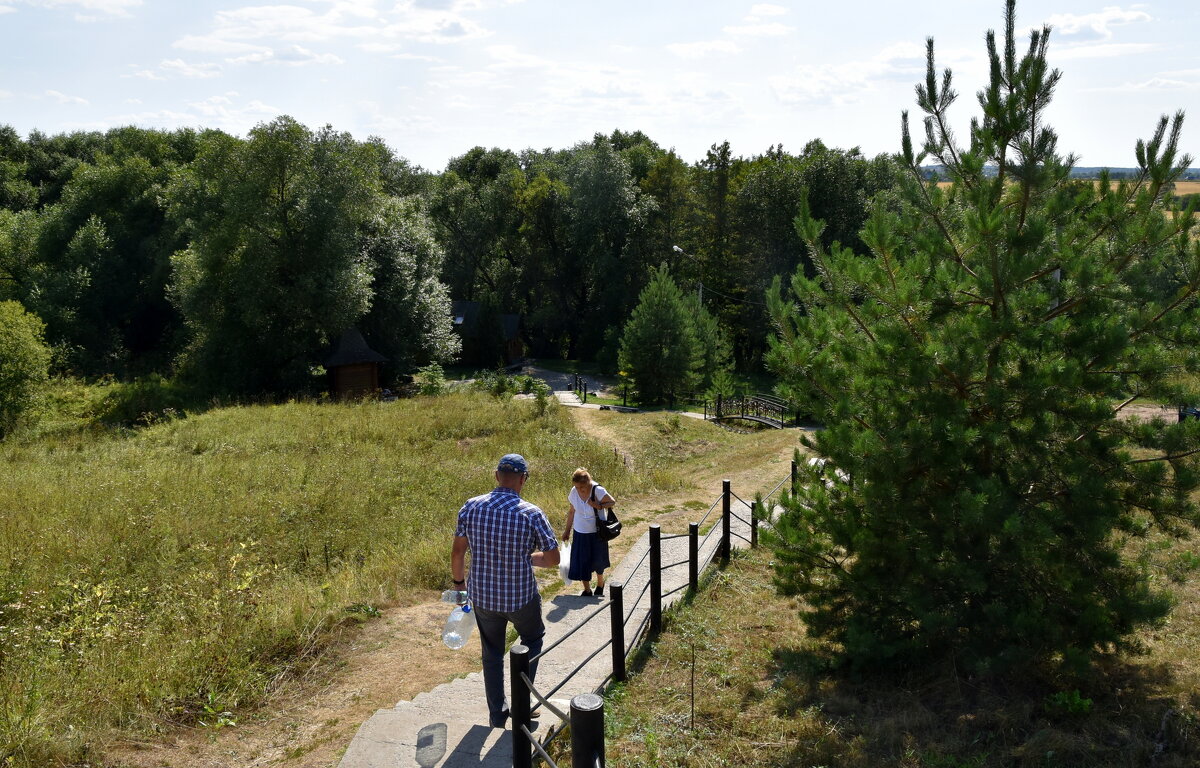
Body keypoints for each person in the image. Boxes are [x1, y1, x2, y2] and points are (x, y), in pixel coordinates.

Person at [450, 453, 560, 729]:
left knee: (492, 654)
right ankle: (523, 706)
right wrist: (528, 558)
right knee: (533, 639)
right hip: (520, 596)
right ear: (523, 479)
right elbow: (552, 559)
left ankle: (497, 714)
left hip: (483, 596)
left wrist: (459, 585)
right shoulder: (531, 513)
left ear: (497, 475)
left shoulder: (471, 506)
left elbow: (458, 552)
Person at [562, 467, 615, 597]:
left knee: (598, 560)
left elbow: (612, 502)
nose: (579, 490)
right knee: (582, 561)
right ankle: (587, 590)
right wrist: (567, 530)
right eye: (577, 487)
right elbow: (572, 511)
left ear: (588, 483)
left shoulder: (597, 490)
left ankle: (600, 584)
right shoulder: (574, 491)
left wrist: (599, 506)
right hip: (580, 531)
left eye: (582, 487)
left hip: (597, 531)